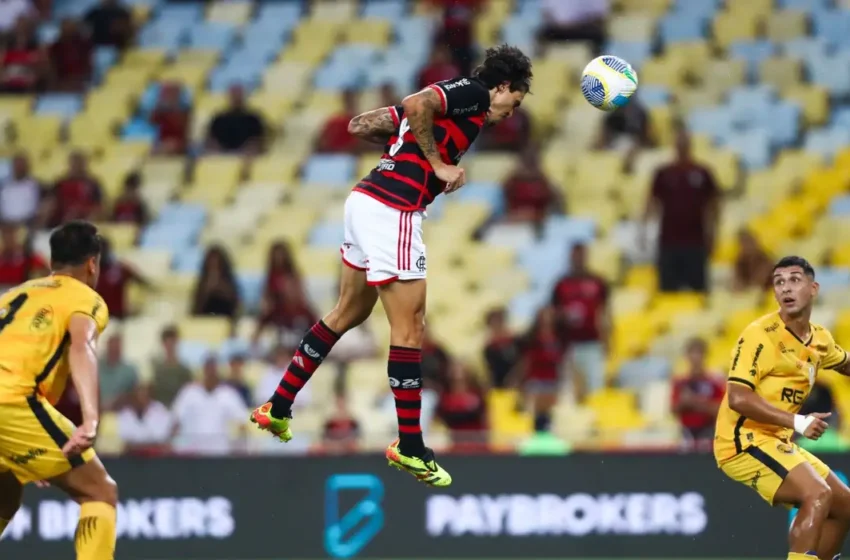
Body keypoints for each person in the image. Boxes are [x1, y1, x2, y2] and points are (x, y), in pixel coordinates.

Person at [251, 44, 533, 487]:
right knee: (410, 328)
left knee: (349, 312)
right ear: (502, 87)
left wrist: (411, 135)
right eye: (513, 102)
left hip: (364, 200)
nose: (510, 113)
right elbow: (417, 103)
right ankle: (410, 445)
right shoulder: (475, 94)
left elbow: (361, 124)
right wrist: (436, 162)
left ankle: (278, 405)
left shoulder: (458, 107)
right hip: (394, 207)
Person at [715, 256, 850, 560]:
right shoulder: (759, 335)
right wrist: (799, 423)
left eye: (794, 280)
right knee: (817, 494)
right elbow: (737, 397)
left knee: (845, 506)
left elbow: (845, 363)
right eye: (779, 282)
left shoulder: (820, 339)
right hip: (741, 441)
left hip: (777, 441)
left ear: (813, 288)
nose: (786, 288)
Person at [0, 221, 117, 559]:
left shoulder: (17, 293)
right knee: (99, 492)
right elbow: (82, 347)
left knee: (5, 490)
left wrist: (33, 446)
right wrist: (90, 420)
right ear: (92, 264)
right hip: (10, 401)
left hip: (14, 410)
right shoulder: (86, 298)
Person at [642, 128, 719, 293]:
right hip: (669, 243)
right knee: (667, 293)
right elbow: (651, 202)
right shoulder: (663, 173)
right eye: (679, 142)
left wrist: (713, 234)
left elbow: (713, 206)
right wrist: (644, 230)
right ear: (674, 146)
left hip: (695, 243)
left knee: (698, 293)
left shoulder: (702, 173)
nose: (682, 145)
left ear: (690, 145)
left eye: (685, 142)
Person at [550, 244, 610, 398]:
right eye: (575, 256)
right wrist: (563, 315)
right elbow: (552, 313)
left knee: (595, 386)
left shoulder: (597, 282)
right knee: (570, 388)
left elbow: (605, 313)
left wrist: (607, 340)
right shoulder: (561, 284)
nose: (578, 259)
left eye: (581, 255)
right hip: (568, 344)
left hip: (593, 342)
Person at [171, 355, 247, 456]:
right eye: (208, 368)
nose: (211, 372)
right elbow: (176, 420)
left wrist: (240, 447)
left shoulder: (228, 394)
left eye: (213, 369)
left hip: (220, 454)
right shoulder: (189, 392)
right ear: (204, 370)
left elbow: (242, 422)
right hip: (193, 453)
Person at [515, 306, 566, 434]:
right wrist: (519, 383)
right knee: (534, 413)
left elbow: (564, 362)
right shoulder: (532, 339)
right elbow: (526, 362)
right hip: (536, 380)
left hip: (553, 381)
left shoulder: (560, 339)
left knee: (552, 413)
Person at [252, 241, 315, 345]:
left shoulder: (294, 276)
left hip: (295, 320)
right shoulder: (270, 278)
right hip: (277, 316)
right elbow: (266, 303)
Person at [671, 337, 724, 451]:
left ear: (705, 356)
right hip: (686, 434)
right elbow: (674, 409)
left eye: (699, 353)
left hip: (709, 434)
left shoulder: (714, 382)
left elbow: (721, 411)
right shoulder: (680, 382)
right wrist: (684, 403)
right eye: (692, 353)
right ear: (687, 356)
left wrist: (693, 401)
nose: (695, 357)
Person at [95, 237, 152, 320]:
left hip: (119, 316)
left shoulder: (120, 268)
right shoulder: (87, 272)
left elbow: (143, 283)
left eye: (104, 250)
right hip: (97, 317)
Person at [502, 145, 560, 226]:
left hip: (537, 222)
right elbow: (505, 203)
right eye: (527, 160)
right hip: (515, 221)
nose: (530, 163)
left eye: (533, 160)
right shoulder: (512, 181)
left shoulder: (543, 181)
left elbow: (556, 202)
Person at [436, 360, 487, 449]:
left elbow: (484, 416)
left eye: (461, 370)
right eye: (454, 370)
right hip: (453, 442)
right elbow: (440, 418)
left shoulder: (476, 393)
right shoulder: (445, 395)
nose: (458, 373)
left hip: (475, 441)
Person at [206, 83, 265, 155]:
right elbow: (211, 141)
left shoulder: (253, 119)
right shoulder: (219, 119)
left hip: (245, 157)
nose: (236, 98)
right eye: (234, 95)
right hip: (221, 157)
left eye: (238, 95)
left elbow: (257, 141)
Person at [50, 151, 104, 226]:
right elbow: (53, 201)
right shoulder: (61, 183)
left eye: (80, 163)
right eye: (75, 163)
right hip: (64, 214)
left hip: (86, 214)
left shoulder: (93, 183)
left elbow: (99, 204)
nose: (77, 166)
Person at [117, 383, 172, 455]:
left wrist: (140, 442)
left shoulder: (159, 409)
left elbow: (160, 437)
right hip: (132, 455)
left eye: (144, 394)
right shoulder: (125, 412)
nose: (141, 398)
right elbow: (126, 438)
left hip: (156, 454)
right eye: (138, 394)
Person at [191, 245, 239, 326]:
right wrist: (207, 291)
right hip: (204, 324)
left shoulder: (230, 285)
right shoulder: (201, 285)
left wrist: (221, 288)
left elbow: (235, 308)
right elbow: (196, 311)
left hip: (225, 324)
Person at [150, 325, 193, 407]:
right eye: (167, 343)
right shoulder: (157, 370)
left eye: (172, 342)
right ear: (163, 344)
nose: (170, 346)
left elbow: (189, 395)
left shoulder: (184, 370)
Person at [0, 152, 45, 226]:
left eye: (21, 165)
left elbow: (41, 206)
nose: (19, 168)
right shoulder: (4, 184)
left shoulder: (35, 185)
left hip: (27, 224)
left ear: (27, 167)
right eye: (17, 165)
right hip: (5, 225)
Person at [49, 18, 93, 92]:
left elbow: (88, 66)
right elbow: (53, 68)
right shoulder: (55, 47)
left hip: (80, 82)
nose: (68, 30)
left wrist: (79, 81)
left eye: (70, 28)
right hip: (61, 83)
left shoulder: (83, 45)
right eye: (65, 28)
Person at [98, 332, 137, 411]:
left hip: (122, 414)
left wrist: (119, 400)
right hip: (97, 412)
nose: (114, 350)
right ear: (107, 347)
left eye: (117, 348)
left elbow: (136, 395)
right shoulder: (96, 368)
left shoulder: (129, 371)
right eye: (112, 347)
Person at [0, 224, 47, 290]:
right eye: (4, 234)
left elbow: (47, 277)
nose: (8, 238)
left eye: (12, 234)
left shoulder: (31, 259)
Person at [149, 82, 190, 155]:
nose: (167, 96)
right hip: (163, 143)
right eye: (165, 93)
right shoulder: (161, 110)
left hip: (178, 145)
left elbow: (185, 133)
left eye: (170, 93)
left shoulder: (184, 112)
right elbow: (152, 120)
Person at [315, 89, 361, 154]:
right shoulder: (334, 121)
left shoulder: (363, 123)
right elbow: (321, 143)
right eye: (348, 99)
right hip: (333, 156)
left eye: (352, 100)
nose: (350, 102)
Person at [483, 307, 519, 388]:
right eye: (493, 322)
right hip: (497, 383)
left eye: (499, 321)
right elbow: (489, 368)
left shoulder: (513, 340)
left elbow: (521, 361)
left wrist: (516, 377)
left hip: (516, 381)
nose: (496, 325)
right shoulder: (489, 345)